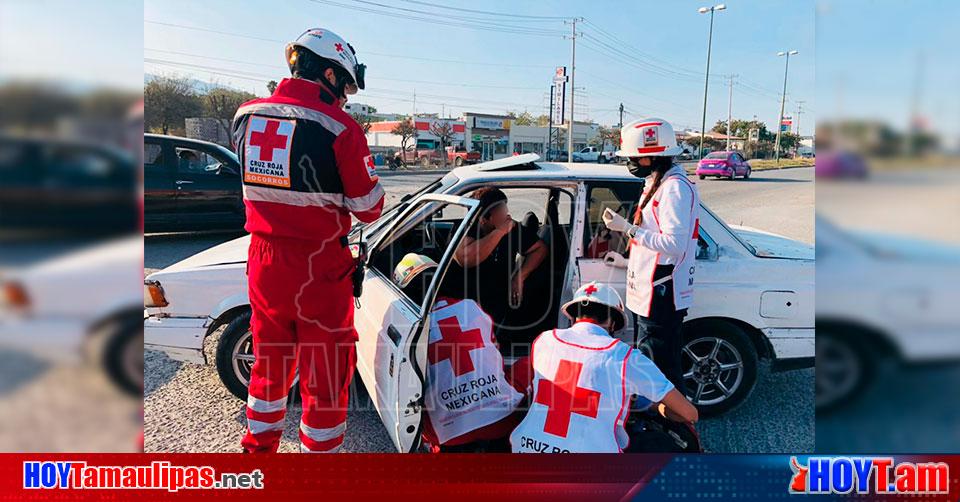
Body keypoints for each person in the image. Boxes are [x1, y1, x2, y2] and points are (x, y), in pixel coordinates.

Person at [231, 27, 384, 453]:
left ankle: (257, 457)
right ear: (331, 75)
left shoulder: (245, 115)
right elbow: (369, 207)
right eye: (345, 87)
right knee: (326, 372)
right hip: (318, 267)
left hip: (263, 260)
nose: (345, 98)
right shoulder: (341, 128)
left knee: (270, 363)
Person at [510, 282, 698, 453]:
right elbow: (690, 413)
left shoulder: (544, 340)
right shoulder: (627, 357)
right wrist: (659, 408)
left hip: (526, 448)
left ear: (574, 317)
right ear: (613, 323)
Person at [601, 118, 701, 396]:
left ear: (654, 156)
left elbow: (674, 245)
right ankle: (661, 416)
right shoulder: (657, 181)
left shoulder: (674, 188)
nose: (631, 162)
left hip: (661, 291)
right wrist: (627, 261)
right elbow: (655, 240)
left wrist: (627, 228)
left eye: (635, 157)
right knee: (651, 360)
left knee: (660, 368)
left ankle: (673, 425)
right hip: (651, 285)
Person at [392, 253, 527, 452]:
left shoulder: (410, 328)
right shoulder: (471, 307)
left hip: (450, 433)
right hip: (502, 420)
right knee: (525, 364)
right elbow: (494, 353)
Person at [449, 187, 548, 339]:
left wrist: (519, 277)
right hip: (464, 303)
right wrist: (500, 232)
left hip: (498, 300)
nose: (507, 215)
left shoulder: (512, 228)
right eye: (501, 212)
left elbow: (539, 249)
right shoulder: (464, 229)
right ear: (483, 219)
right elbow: (465, 259)